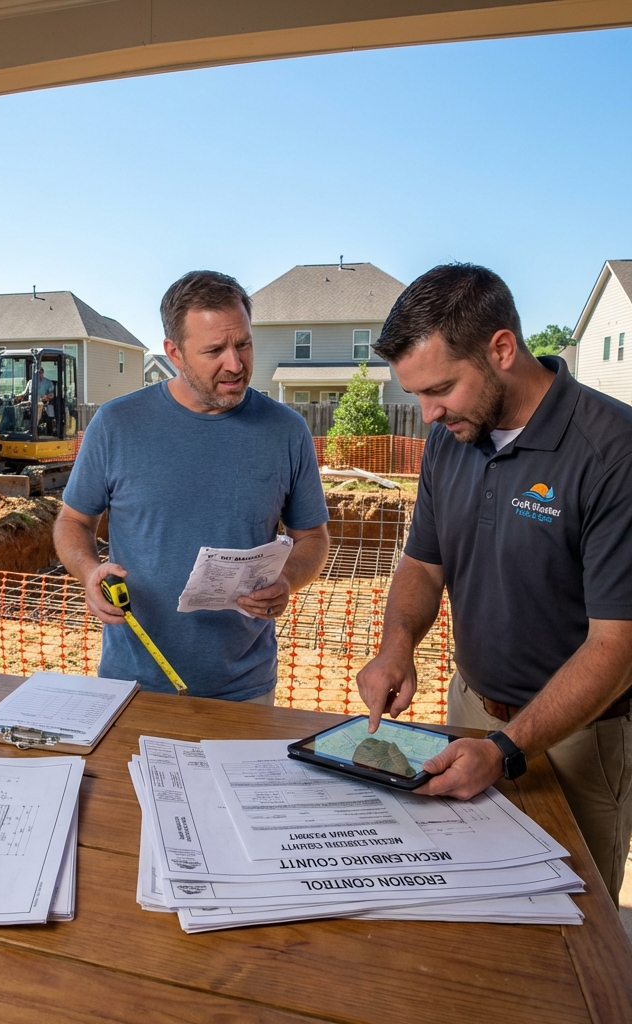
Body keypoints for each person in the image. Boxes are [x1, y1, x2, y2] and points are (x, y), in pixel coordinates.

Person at [355, 263, 632, 904]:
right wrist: (396, 644)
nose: (426, 413)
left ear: (502, 349)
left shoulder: (613, 453)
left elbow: (618, 645)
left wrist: (507, 749)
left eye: (441, 388)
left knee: (574, 920)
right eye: (416, 394)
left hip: (581, 739)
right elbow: (424, 564)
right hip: (470, 714)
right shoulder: (452, 439)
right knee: (477, 905)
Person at [54, 270, 330, 702]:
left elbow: (312, 537)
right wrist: (89, 573)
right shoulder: (116, 424)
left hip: (245, 688)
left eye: (243, 344)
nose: (235, 364)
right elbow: (73, 521)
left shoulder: (287, 431)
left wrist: (288, 581)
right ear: (174, 353)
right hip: (131, 685)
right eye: (215, 350)